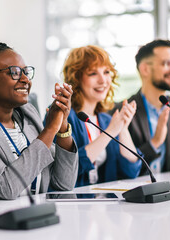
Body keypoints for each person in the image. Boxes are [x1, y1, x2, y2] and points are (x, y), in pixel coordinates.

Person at [0, 43, 78, 205]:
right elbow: (6, 188)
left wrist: (62, 126)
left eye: (26, 72)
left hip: (32, 215)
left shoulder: (28, 114)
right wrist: (50, 129)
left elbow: (64, 184)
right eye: (15, 72)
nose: (25, 80)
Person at [112, 39, 170, 175]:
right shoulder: (123, 111)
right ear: (145, 69)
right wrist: (155, 143)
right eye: (167, 63)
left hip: (166, 193)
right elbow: (121, 168)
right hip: (133, 192)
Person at [61, 45, 141, 187]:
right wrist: (110, 132)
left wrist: (123, 129)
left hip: (103, 204)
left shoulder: (105, 120)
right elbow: (68, 169)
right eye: (93, 73)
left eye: (106, 72)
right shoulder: (63, 117)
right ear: (77, 78)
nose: (103, 80)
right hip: (73, 205)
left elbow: (131, 171)